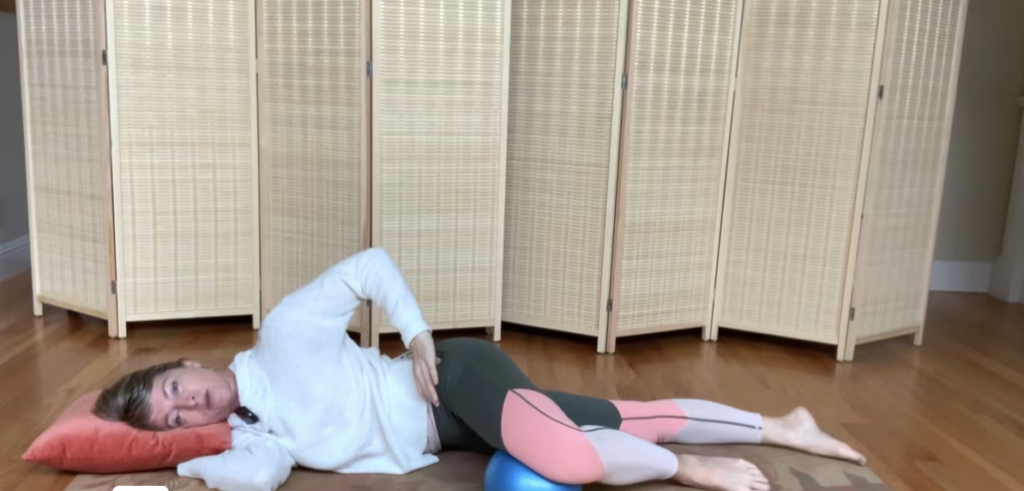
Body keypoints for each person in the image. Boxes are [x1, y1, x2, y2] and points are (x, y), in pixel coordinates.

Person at [94, 248, 866, 491]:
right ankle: (779, 424)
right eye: (175, 417)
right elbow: (259, 481)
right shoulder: (252, 441)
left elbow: (369, 263)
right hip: (456, 429)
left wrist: (422, 336)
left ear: (188, 361)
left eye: (172, 387)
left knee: (567, 453)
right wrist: (193, 465)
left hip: (454, 377)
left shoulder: (283, 333)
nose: (187, 403)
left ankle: (688, 465)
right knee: (614, 416)